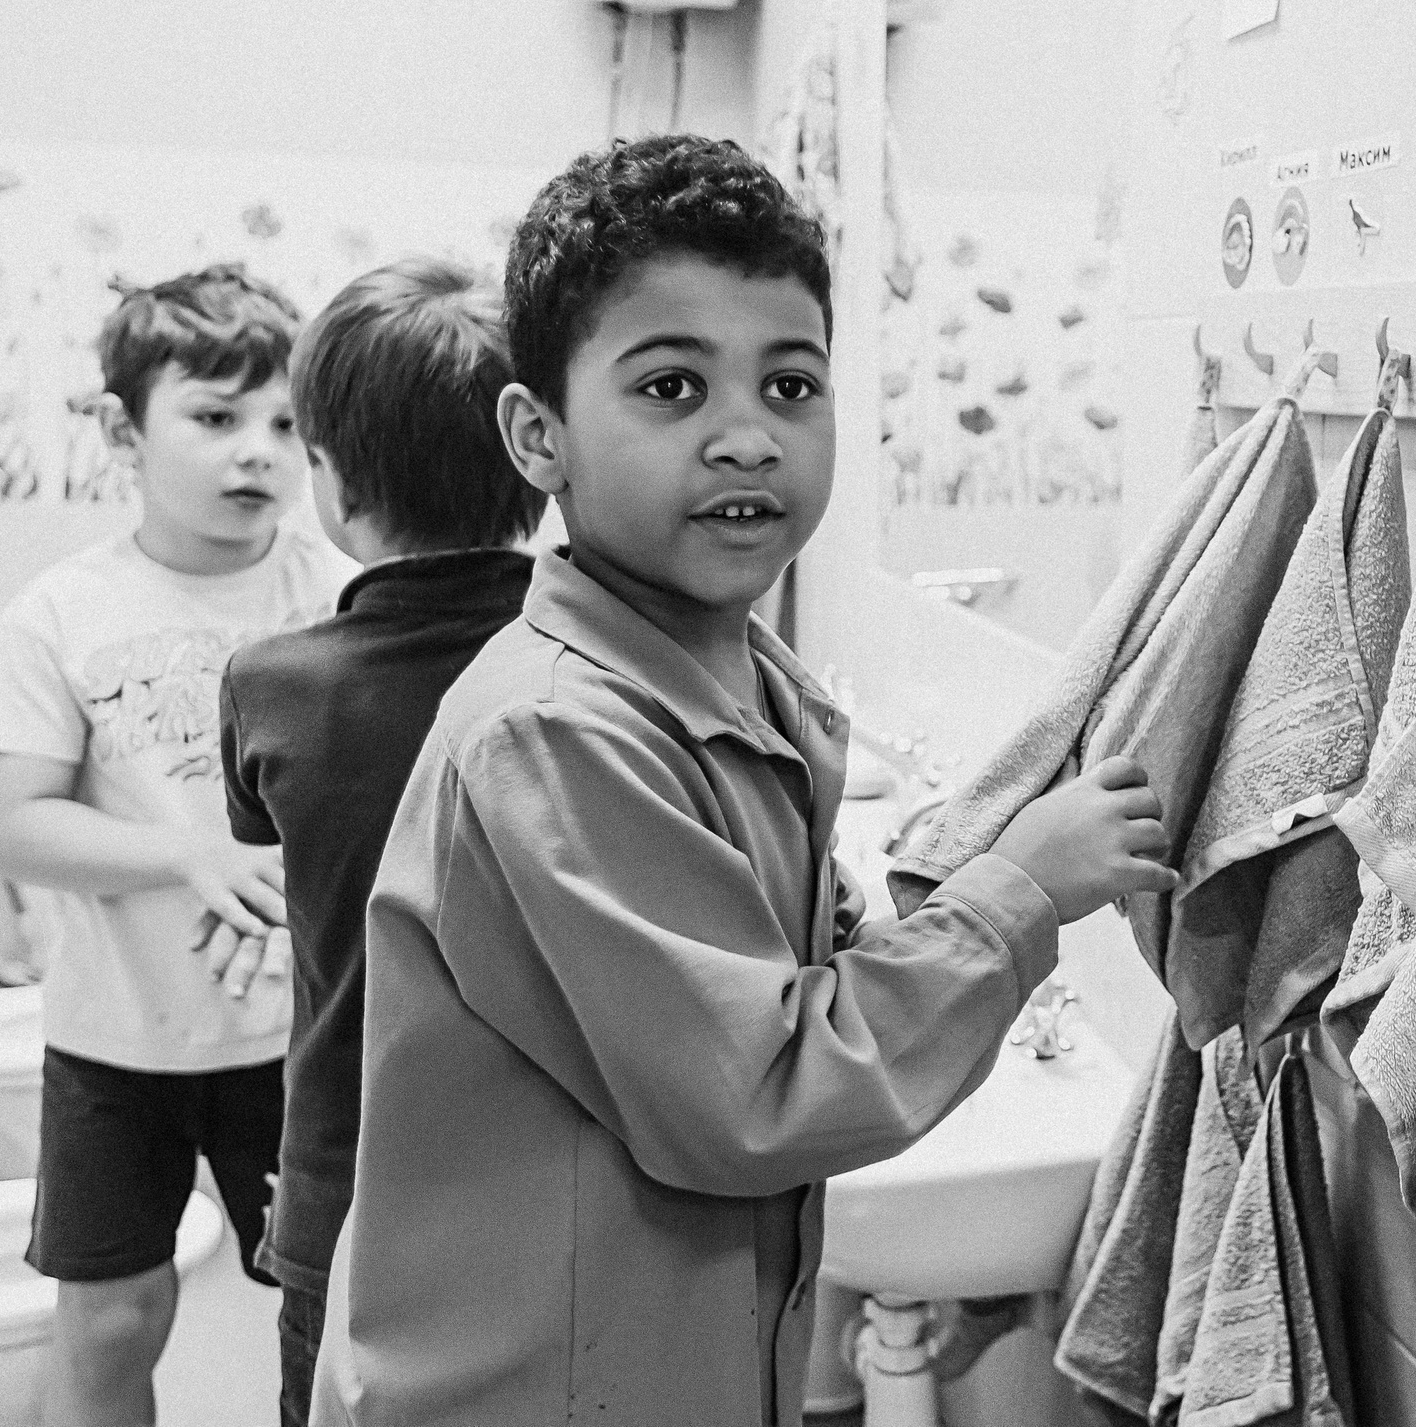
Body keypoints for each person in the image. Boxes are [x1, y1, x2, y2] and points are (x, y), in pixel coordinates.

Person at [312, 136, 1173, 1427]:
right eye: (670, 387)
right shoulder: (556, 737)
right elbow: (765, 1088)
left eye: (790, 384)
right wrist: (1020, 896)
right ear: (535, 436)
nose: (745, 439)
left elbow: (784, 981)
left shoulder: (738, 688)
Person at [0, 265, 347, 1427]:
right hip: (115, 1044)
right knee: (115, 1319)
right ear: (129, 431)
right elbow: (17, 823)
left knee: (323, 1318)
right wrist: (189, 856)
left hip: (296, 1040)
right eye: (216, 418)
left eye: (284, 424)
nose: (256, 453)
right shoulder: (64, 611)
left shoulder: (339, 597)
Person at [210, 259, 545, 1427]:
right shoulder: (599, 677)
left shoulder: (273, 688)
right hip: (557, 1202)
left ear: (335, 486)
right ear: (536, 464)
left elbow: (277, 848)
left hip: (346, 1191)